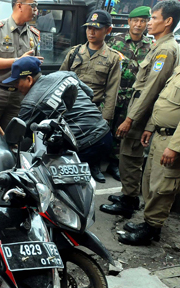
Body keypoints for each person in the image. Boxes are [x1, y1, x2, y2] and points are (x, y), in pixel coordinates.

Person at [101, 0, 180, 219]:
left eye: (153, 18)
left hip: (140, 113)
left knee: (130, 156)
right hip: (136, 108)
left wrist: (130, 119)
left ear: (168, 21)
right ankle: (128, 195)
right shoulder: (158, 45)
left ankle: (129, 202)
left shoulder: (165, 50)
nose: (147, 23)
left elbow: (150, 90)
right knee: (128, 156)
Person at [11, 57, 113, 174]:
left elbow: (18, 133)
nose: (16, 87)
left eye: (16, 82)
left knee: (50, 180)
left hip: (83, 146)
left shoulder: (30, 102)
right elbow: (90, 93)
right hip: (106, 135)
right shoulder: (65, 74)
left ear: (29, 79)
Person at [119, 65, 180, 245]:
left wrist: (175, 147)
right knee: (150, 181)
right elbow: (164, 102)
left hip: (172, 139)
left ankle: (152, 228)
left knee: (163, 186)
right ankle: (149, 223)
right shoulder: (177, 69)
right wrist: (151, 127)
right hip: (161, 135)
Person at [59, 10, 122, 183]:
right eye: (88, 28)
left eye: (96, 28)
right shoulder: (74, 53)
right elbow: (59, 79)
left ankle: (93, 166)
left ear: (107, 31)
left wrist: (106, 118)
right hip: (70, 108)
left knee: (93, 143)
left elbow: (112, 91)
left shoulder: (113, 58)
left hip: (93, 109)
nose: (91, 32)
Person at [105, 6, 152, 182]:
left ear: (147, 23)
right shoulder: (115, 42)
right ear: (129, 22)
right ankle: (98, 160)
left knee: (121, 130)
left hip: (132, 96)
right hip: (114, 92)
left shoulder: (150, 47)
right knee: (105, 127)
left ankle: (114, 163)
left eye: (143, 21)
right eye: (135, 21)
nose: (138, 25)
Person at [0, 0, 42, 130]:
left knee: (11, 140)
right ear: (19, 5)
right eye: (33, 6)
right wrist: (18, 60)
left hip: (18, 97)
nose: (36, 10)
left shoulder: (34, 35)